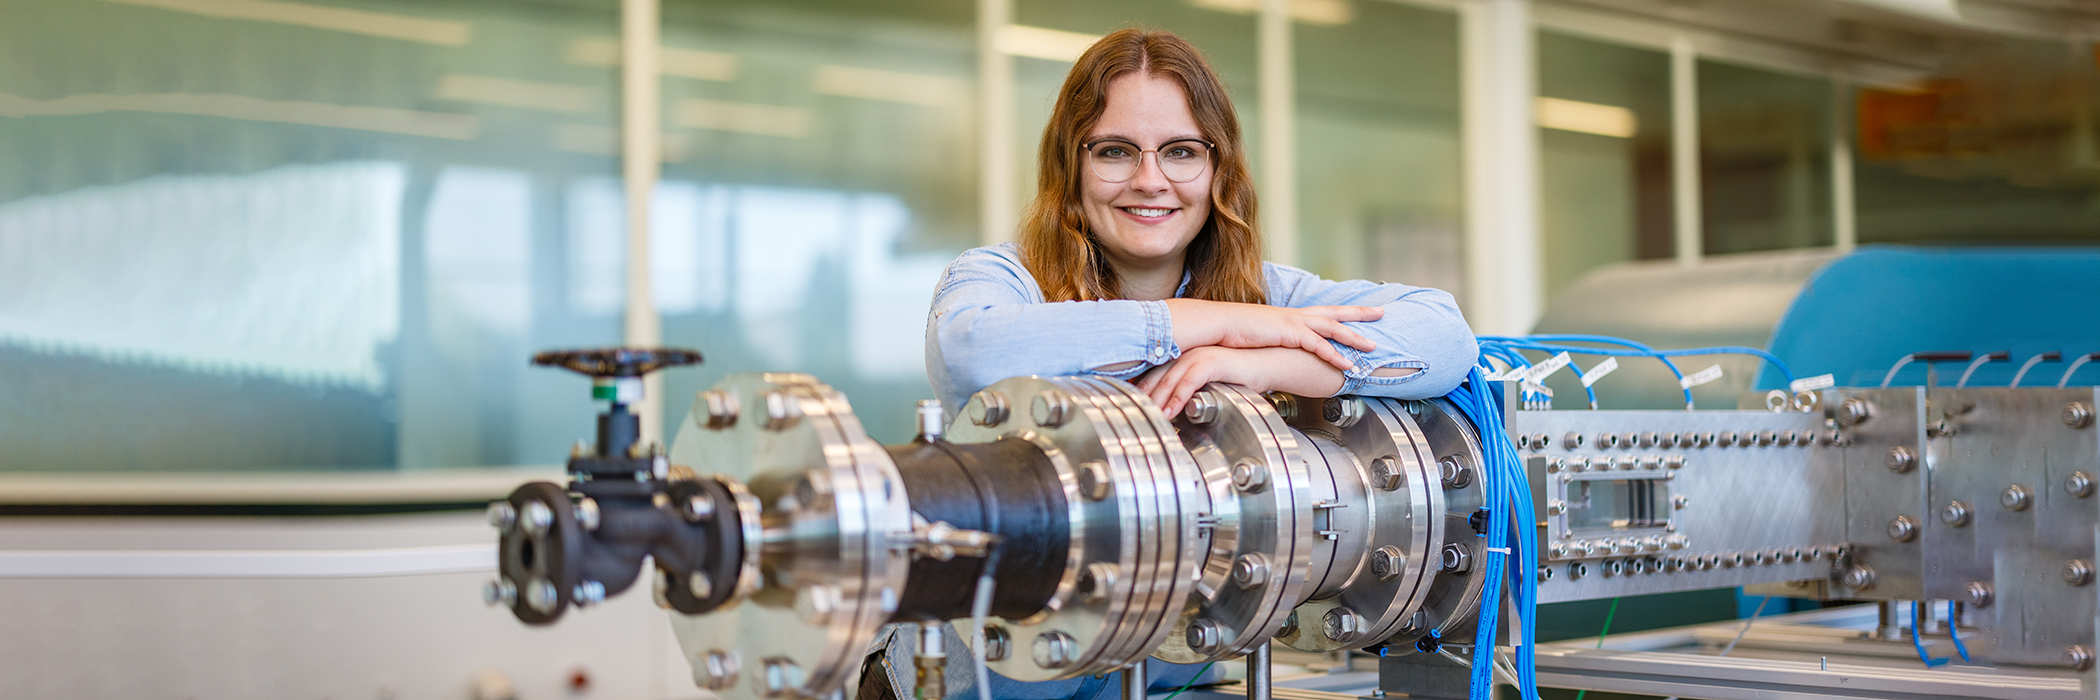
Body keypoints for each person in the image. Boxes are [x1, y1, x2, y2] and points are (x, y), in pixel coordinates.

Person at [864, 27, 1478, 700]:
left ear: (1218, 169)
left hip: (1170, 681)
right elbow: (973, 352)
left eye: (1181, 152)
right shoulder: (1004, 278)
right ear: (1070, 167)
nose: (1150, 181)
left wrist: (1262, 364)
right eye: (1115, 151)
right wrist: (1204, 322)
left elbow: (1444, 336)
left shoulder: (1266, 297)